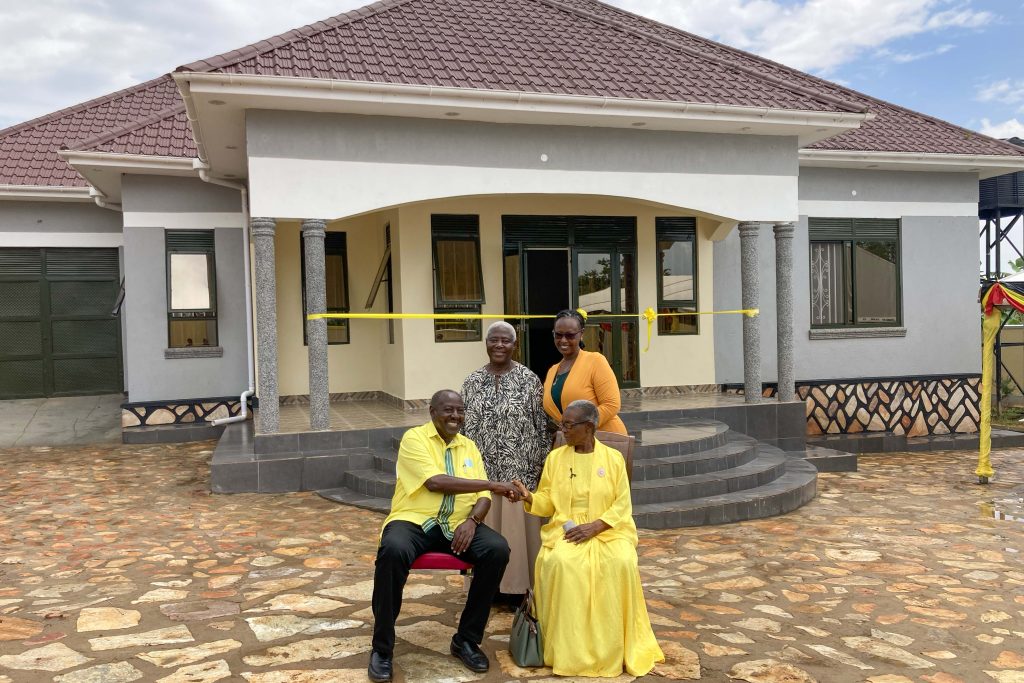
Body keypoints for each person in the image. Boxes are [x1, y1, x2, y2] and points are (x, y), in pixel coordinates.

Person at [369, 389, 518, 683]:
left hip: (460, 524)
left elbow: (483, 496)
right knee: (393, 550)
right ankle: (382, 648)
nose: (455, 416)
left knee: (497, 549)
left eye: (460, 410)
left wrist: (474, 521)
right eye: (448, 410)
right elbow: (435, 483)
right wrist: (494, 484)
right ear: (432, 412)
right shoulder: (414, 439)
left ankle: (466, 640)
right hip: (415, 521)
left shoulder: (469, 447)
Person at [513, 400, 664, 678]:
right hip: (566, 528)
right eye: (562, 424)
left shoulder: (612, 459)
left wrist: (595, 526)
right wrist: (530, 497)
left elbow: (622, 505)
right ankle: (568, 649)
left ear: (590, 427)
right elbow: (548, 501)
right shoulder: (556, 458)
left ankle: (612, 648)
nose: (563, 430)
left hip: (608, 529)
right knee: (560, 561)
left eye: (569, 425)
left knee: (620, 562)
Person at [461, 321, 548, 597]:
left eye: (505, 341)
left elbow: (542, 427)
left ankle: (520, 588)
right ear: (486, 343)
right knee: (487, 530)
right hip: (483, 475)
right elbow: (461, 428)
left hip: (519, 474)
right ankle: (488, 590)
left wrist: (539, 466)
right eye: (493, 340)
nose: (499, 345)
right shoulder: (472, 381)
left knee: (519, 535)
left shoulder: (529, 380)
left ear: (514, 345)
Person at [543, 309, 627, 435]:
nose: (563, 340)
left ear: (581, 334)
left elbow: (611, 404)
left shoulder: (595, 361)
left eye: (570, 335)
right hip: (573, 444)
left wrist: (581, 427)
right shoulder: (552, 371)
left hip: (603, 440)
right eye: (558, 335)